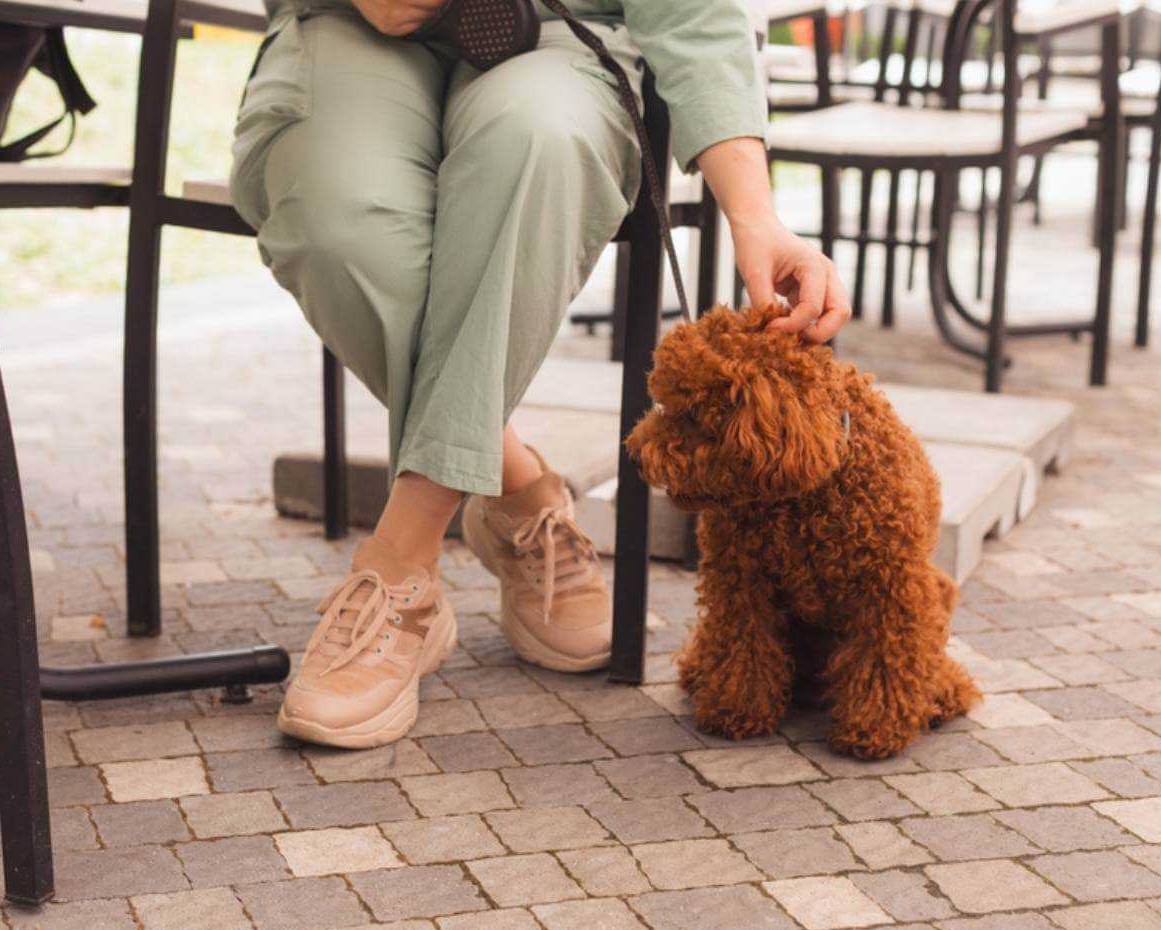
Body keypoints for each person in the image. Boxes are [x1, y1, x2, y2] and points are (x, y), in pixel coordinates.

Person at [230, 0, 852, 748]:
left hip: (560, 30)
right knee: (335, 225)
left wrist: (755, 215)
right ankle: (519, 491)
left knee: (538, 142)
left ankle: (400, 568)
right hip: (350, 23)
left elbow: (691, 13)